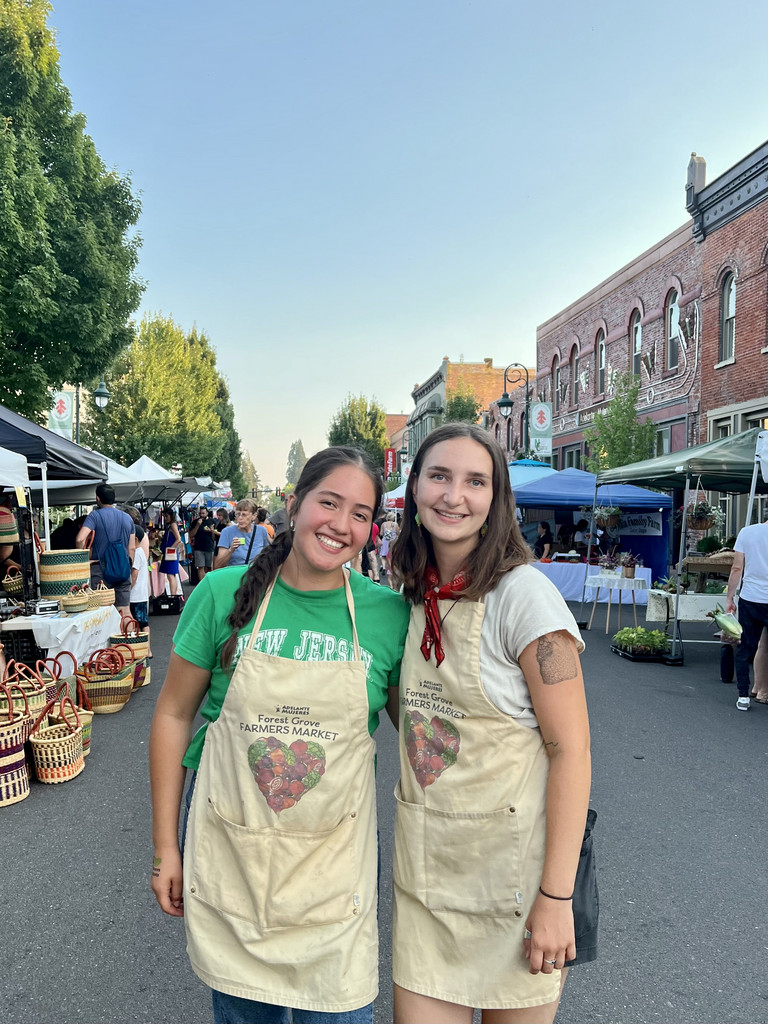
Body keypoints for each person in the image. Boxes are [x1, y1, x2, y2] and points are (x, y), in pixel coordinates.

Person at [149, 446, 410, 1023]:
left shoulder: (389, 615)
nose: (342, 525)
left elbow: (421, 737)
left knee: (340, 1010)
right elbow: (171, 717)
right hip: (232, 849)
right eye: (329, 502)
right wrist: (168, 846)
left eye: (361, 514)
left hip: (332, 870)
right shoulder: (220, 594)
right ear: (294, 504)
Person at [389, 423, 591, 1024]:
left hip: (516, 887)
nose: (454, 496)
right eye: (440, 476)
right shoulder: (412, 593)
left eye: (475, 481)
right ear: (415, 489)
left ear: (496, 499)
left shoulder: (526, 597)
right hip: (427, 880)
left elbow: (572, 751)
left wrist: (557, 898)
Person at [726, 515, 768, 711]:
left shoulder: (747, 532)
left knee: (746, 647)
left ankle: (743, 696)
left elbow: (737, 568)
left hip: (750, 598)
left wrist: (730, 598)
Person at [76, 484, 136, 619]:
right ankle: (129, 638)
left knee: (101, 613)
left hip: (100, 570)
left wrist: (83, 560)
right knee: (125, 611)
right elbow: (131, 548)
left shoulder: (94, 516)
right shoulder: (127, 518)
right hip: (123, 569)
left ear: (98, 498)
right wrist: (127, 565)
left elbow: (80, 539)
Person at [214, 499, 270, 570]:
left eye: (244, 514)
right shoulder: (227, 532)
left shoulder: (261, 531)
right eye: (237, 514)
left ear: (254, 516)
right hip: (235, 577)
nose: (240, 518)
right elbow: (218, 565)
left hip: (255, 577)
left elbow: (269, 557)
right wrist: (231, 550)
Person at [130, 537, 153, 658]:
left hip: (135, 595)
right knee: (143, 622)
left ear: (136, 539)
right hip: (141, 595)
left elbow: (134, 574)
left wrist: (128, 589)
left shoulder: (137, 554)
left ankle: (145, 650)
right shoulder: (141, 553)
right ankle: (146, 649)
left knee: (139, 623)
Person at [158, 508, 184, 598]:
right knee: (171, 575)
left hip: (170, 554)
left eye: (166, 516)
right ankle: (173, 595)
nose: (165, 518)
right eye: (164, 516)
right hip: (169, 553)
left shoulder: (173, 525)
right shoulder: (171, 525)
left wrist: (170, 549)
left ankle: (172, 596)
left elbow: (178, 539)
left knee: (170, 575)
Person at [189, 507, 218, 583]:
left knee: (209, 567)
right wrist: (198, 525)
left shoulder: (212, 521)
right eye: (200, 513)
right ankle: (202, 584)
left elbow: (214, 537)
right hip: (198, 547)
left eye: (203, 513)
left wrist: (211, 530)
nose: (202, 515)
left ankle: (210, 582)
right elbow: (191, 535)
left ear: (207, 513)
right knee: (200, 567)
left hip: (209, 547)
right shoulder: (195, 522)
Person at [378, 511, 399, 581]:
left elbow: (381, 533)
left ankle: (384, 567)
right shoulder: (395, 524)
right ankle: (392, 569)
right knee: (392, 556)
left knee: (383, 555)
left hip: (385, 541)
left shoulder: (383, 524)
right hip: (393, 542)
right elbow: (397, 532)